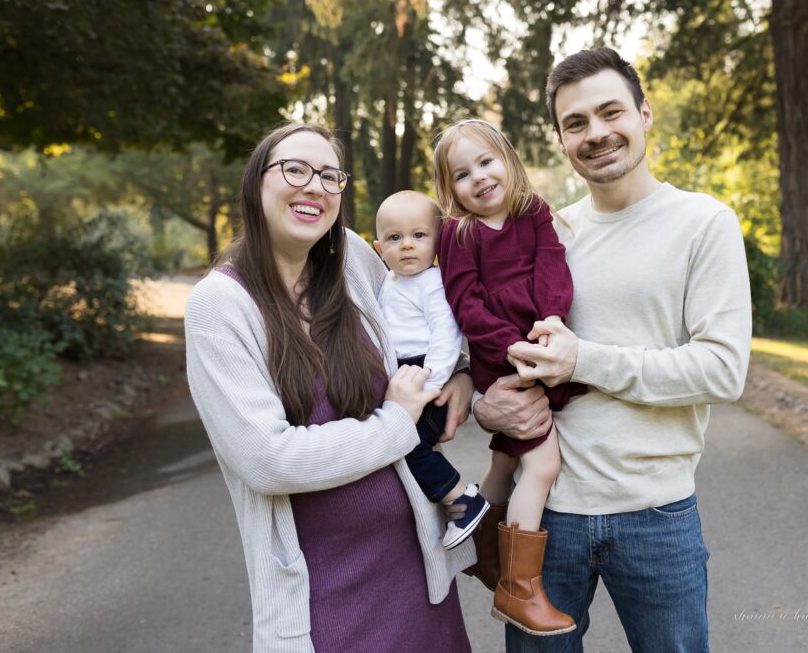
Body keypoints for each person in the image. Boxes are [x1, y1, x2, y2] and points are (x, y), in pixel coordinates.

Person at [475, 48, 753, 652]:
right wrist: (483, 407)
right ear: (560, 139)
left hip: (656, 516)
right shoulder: (547, 232)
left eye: (610, 112)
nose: (596, 133)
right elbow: (488, 343)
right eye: (576, 123)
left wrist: (585, 360)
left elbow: (724, 370)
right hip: (545, 516)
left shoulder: (704, 223)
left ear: (644, 113)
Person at [184, 122, 476, 653]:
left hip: (420, 579)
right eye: (294, 169)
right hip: (324, 600)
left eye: (330, 176)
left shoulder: (355, 263)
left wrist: (461, 374)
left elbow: (431, 315)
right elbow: (268, 460)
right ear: (256, 184)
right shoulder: (220, 305)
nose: (314, 186)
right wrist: (396, 423)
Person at [433, 118, 584, 637]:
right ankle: (520, 589)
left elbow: (552, 267)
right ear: (449, 189)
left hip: (543, 341)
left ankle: (482, 548)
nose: (478, 178)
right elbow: (464, 301)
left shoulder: (534, 213)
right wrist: (511, 345)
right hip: (503, 359)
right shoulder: (459, 232)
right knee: (541, 465)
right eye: (461, 174)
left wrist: (552, 320)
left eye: (486, 162)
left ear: (509, 160)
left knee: (505, 457)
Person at [373, 189, 490, 549]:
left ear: (438, 243)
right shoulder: (389, 283)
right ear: (379, 248)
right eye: (395, 238)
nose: (407, 245)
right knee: (402, 444)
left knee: (409, 443)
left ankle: (462, 499)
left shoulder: (433, 283)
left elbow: (445, 336)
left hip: (426, 375)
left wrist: (432, 386)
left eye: (419, 236)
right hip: (403, 376)